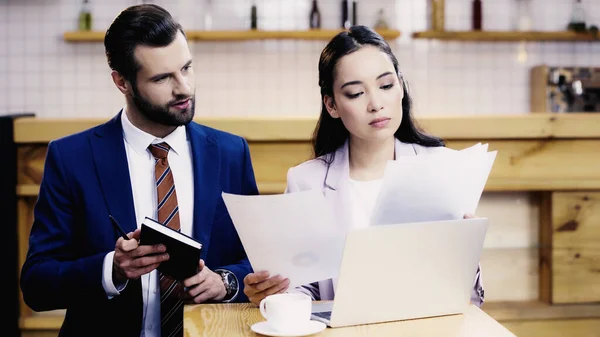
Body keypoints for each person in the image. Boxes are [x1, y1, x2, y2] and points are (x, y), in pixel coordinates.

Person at [20, 4, 257, 337]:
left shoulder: (232, 153)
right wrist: (111, 269)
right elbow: (37, 283)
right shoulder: (71, 158)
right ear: (122, 82)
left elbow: (258, 262)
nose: (184, 88)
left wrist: (224, 282)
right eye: (162, 78)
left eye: (186, 68)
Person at [243, 25, 485, 307]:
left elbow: (468, 298)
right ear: (332, 105)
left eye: (386, 86)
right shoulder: (306, 181)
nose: (376, 104)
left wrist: (467, 255)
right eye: (356, 93)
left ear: (401, 87)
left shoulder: (441, 167)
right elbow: (302, 289)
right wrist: (275, 294)